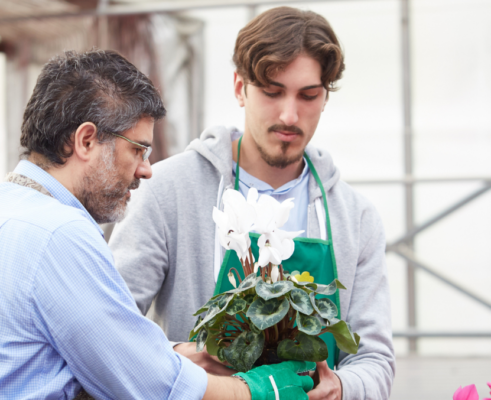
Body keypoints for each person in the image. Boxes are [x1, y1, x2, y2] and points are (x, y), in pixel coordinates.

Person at [110, 6, 396, 400]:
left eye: (308, 95)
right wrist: (179, 358)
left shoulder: (355, 217)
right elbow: (108, 329)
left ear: (325, 96)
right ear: (239, 87)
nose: (289, 114)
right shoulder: (168, 190)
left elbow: (377, 360)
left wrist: (343, 387)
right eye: (272, 91)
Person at [0, 49, 315, 400]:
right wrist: (259, 390)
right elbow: (150, 387)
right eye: (138, 149)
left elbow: (88, 349)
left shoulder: (14, 209)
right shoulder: (60, 234)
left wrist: (171, 354)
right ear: (86, 140)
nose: (146, 169)